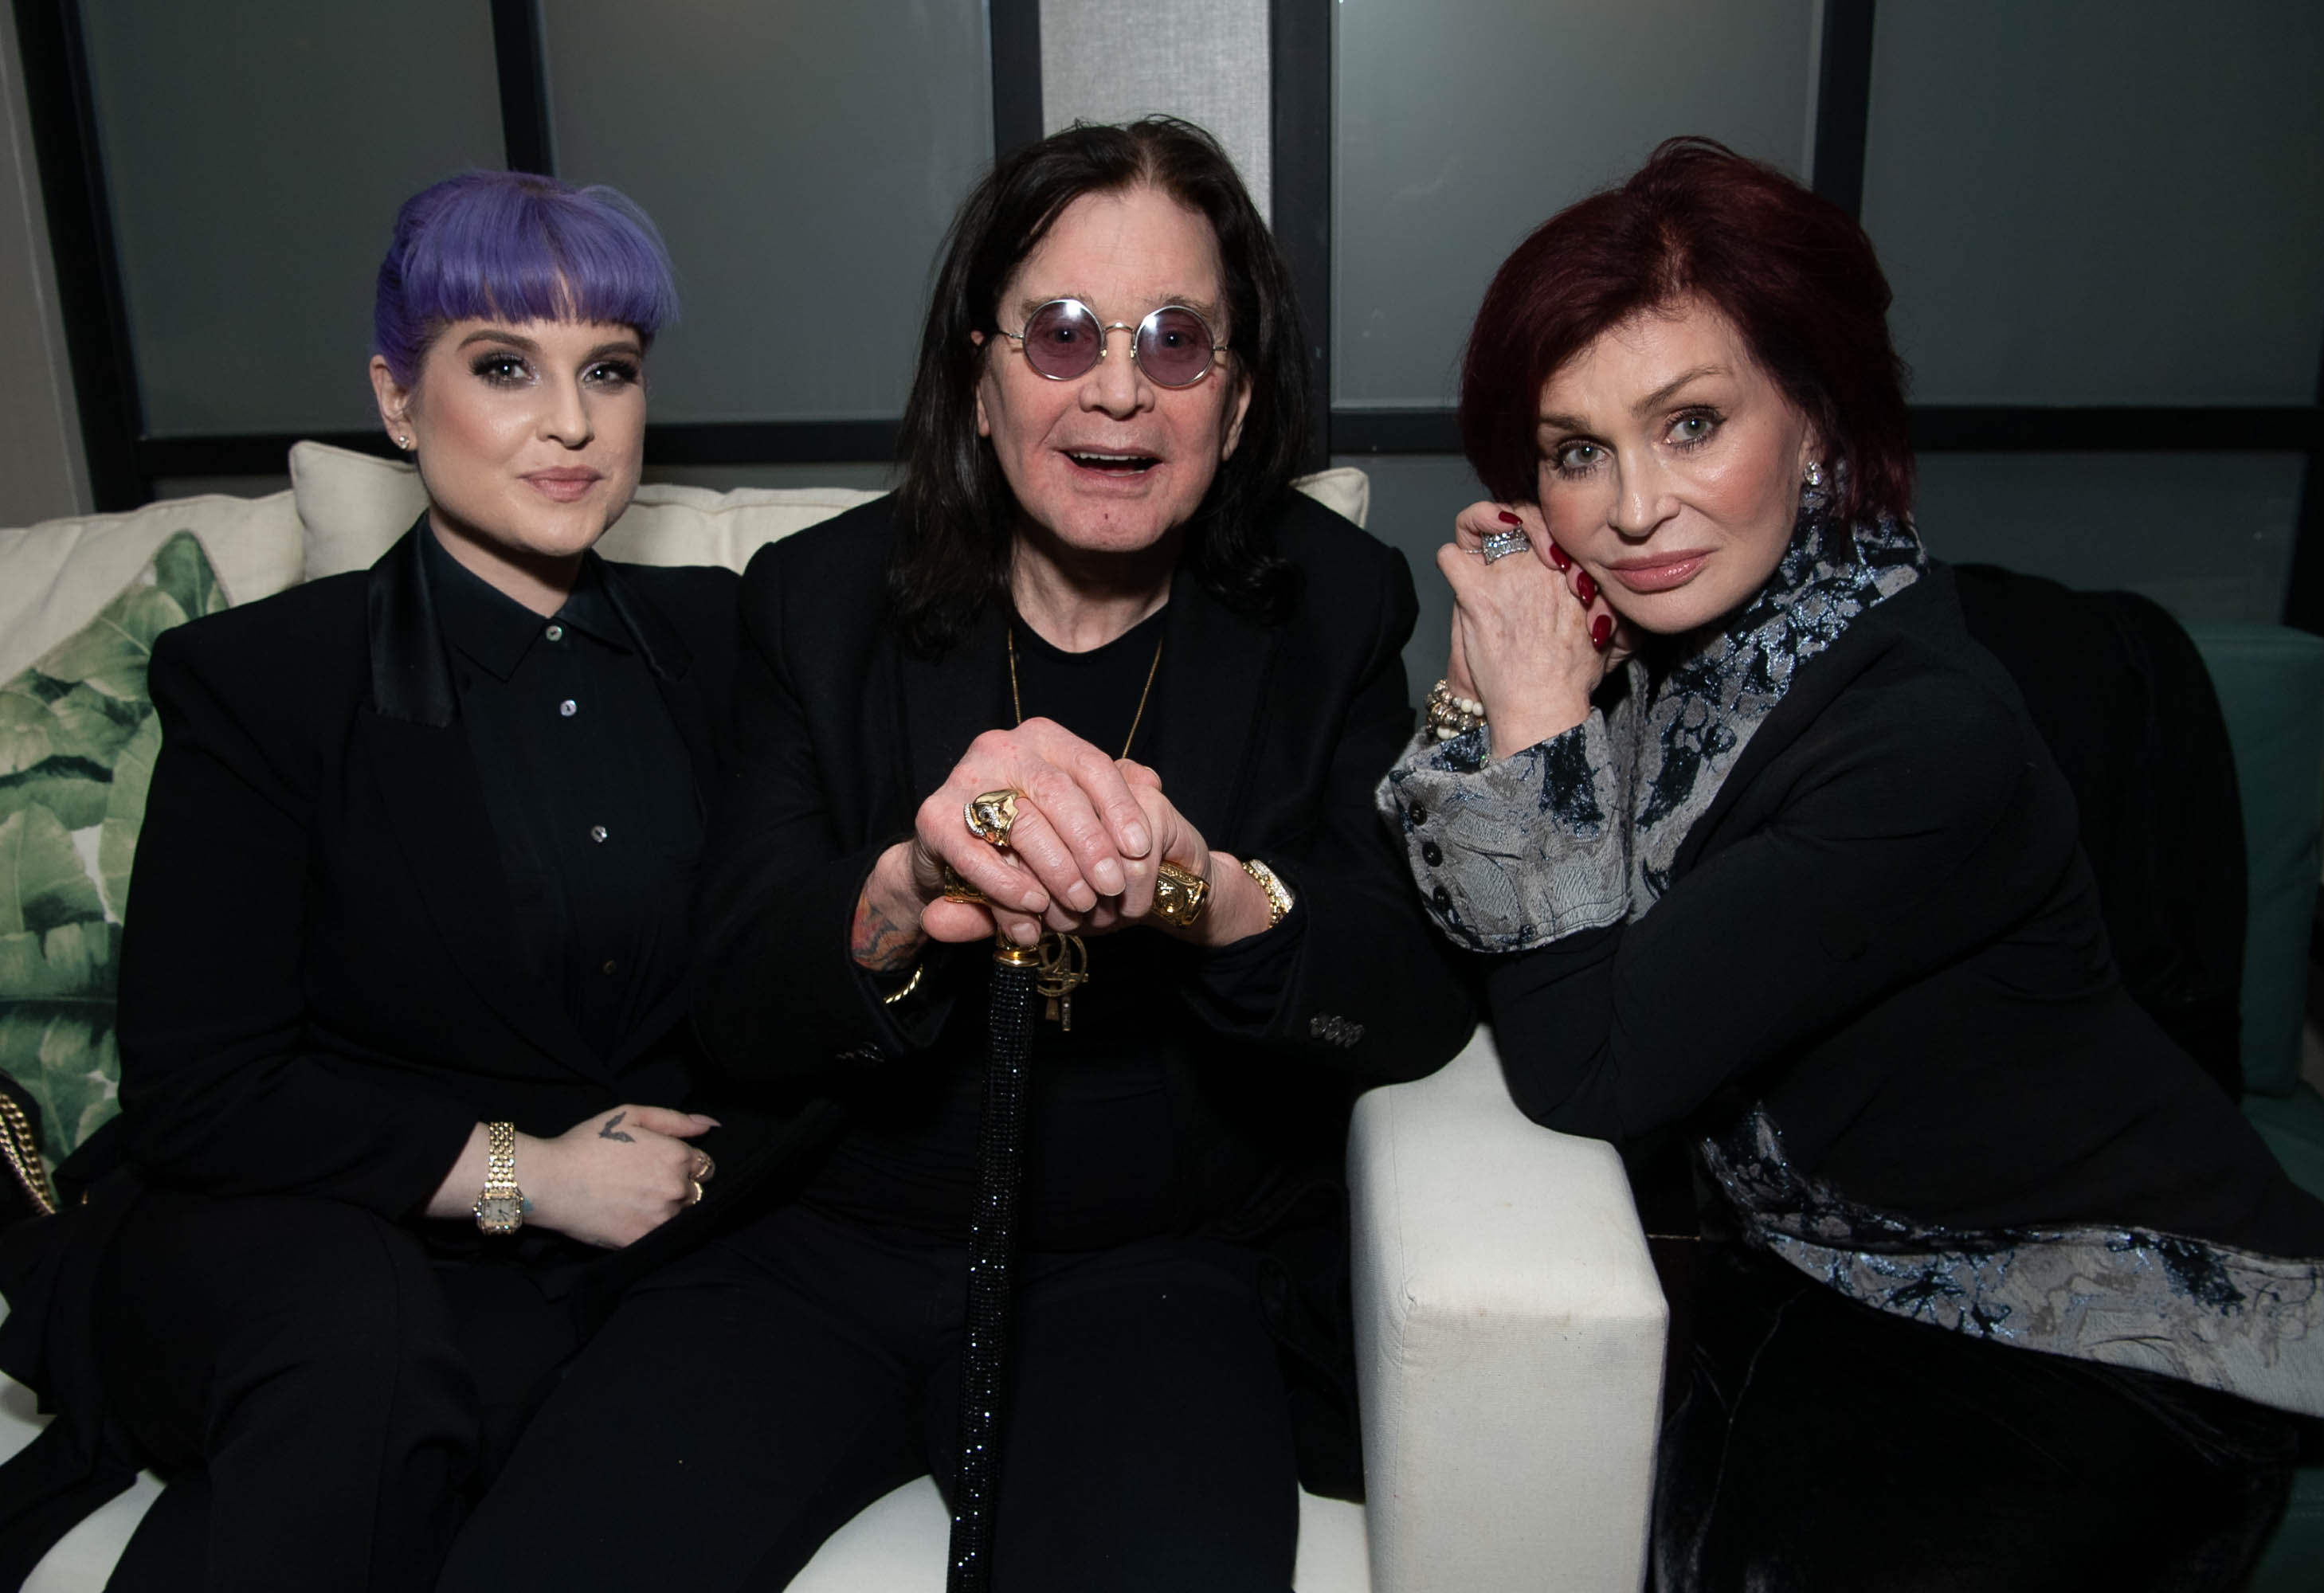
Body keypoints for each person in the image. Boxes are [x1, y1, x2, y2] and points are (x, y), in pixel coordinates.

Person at [441, 117, 1473, 1592]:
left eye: (1177, 341)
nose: (1117, 386)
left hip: (1155, 1271)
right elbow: (735, 988)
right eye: (1059, 333)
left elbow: (1410, 997)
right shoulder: (815, 601)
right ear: (980, 380)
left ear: (1235, 407)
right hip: (815, 1242)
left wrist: (1205, 890)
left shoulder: (1333, 609)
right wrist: (903, 896)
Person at [1382, 138, 2324, 1591]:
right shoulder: (1678, 645)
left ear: (1818, 425)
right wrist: (1500, 700)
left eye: (1693, 423)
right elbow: (1471, 922)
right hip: (1808, 1255)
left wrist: (1536, 723)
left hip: (2080, 1317)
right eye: (1577, 450)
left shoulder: (1924, 736)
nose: (1635, 511)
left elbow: (1586, 1070)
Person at [0, 170, 798, 1592]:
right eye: (505, 366)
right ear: (396, 399)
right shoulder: (268, 685)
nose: (571, 422)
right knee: (361, 1347)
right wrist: (530, 1177)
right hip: (293, 1230)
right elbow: (206, 1094)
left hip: (567, 1275)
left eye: (607, 370)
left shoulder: (724, 643)